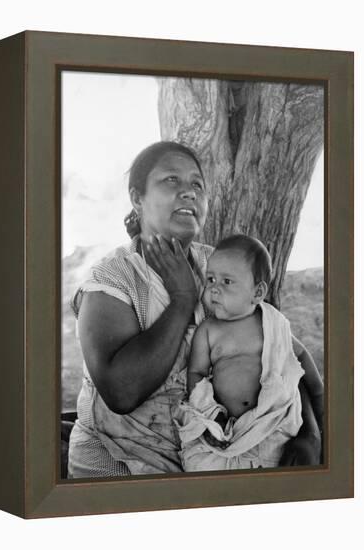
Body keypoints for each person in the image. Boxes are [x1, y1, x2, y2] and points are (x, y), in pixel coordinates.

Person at [67, 141, 321, 478]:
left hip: (217, 455)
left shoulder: (218, 266)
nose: (189, 192)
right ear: (137, 197)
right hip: (122, 463)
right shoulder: (111, 280)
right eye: (171, 180)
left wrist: (309, 434)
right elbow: (121, 393)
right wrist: (183, 297)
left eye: (197, 184)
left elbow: (278, 351)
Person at [175, 235, 324, 471]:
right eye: (211, 279)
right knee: (204, 466)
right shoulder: (209, 330)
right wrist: (210, 415)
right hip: (223, 427)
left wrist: (319, 397)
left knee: (280, 467)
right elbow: (196, 373)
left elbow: (301, 357)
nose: (214, 288)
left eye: (227, 282)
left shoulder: (272, 323)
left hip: (271, 423)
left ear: (257, 293)